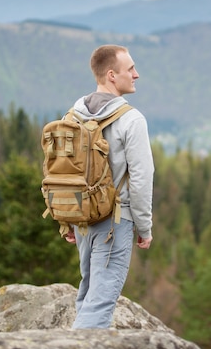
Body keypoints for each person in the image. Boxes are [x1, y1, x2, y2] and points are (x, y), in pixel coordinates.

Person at [64, 44, 154, 329]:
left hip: (82, 220)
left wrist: (67, 219)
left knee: (88, 295)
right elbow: (141, 179)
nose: (136, 75)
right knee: (100, 303)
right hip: (115, 222)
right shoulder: (131, 119)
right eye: (131, 69)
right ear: (112, 75)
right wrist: (145, 227)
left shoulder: (74, 114)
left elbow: (64, 169)